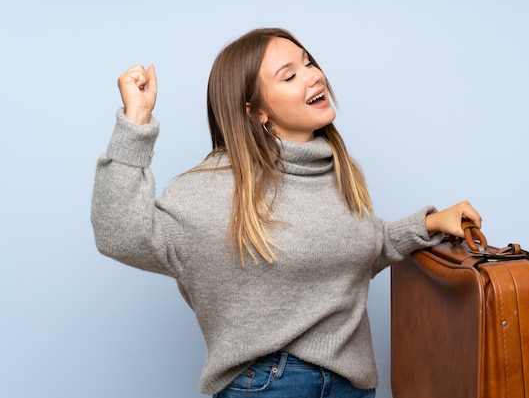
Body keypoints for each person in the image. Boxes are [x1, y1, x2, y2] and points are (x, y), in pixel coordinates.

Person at [91, 27, 481, 397]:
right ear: (256, 110)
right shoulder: (215, 187)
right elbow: (121, 234)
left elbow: (356, 249)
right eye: (290, 75)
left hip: (355, 382)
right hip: (270, 384)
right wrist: (135, 124)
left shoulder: (339, 171)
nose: (314, 77)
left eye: (309, 63)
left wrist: (427, 223)